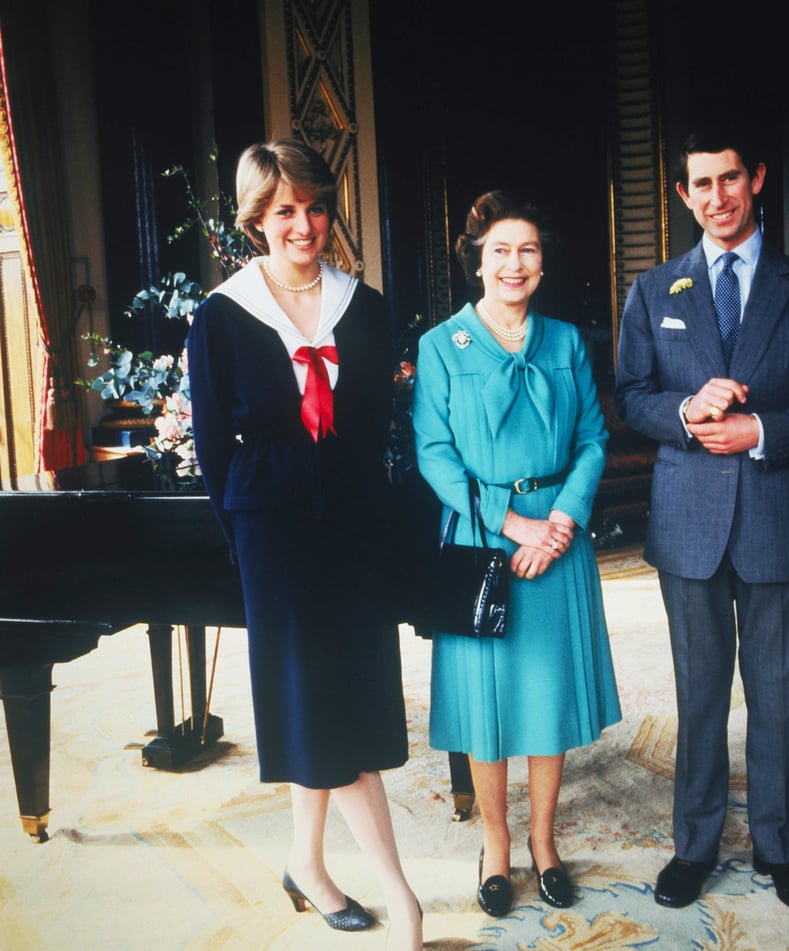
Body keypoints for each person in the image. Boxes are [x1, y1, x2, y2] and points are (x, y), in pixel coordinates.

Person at [614, 124, 789, 914]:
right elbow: (630, 396)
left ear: (754, 179)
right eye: (700, 185)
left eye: (730, 179)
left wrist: (761, 431)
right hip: (687, 519)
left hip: (777, 517)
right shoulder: (655, 291)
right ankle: (695, 844)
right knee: (698, 693)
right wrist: (687, 410)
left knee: (775, 691)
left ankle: (781, 849)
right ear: (683, 195)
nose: (716, 198)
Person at [187, 139, 422, 951]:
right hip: (273, 533)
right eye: (284, 209)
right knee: (314, 701)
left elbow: (377, 433)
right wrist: (247, 539)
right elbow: (216, 449)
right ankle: (401, 897)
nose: (304, 224)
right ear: (258, 219)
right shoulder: (221, 316)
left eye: (315, 206)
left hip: (355, 530)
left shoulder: (368, 306)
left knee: (340, 701)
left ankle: (305, 866)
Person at [412, 190, 621, 917]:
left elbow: (595, 437)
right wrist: (513, 523)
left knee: (547, 696)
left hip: (559, 536)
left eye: (527, 249)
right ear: (476, 260)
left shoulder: (565, 341)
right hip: (481, 540)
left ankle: (545, 841)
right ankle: (496, 844)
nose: (514, 263)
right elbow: (434, 456)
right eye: (499, 249)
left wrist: (560, 518)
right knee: (487, 705)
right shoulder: (441, 345)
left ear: (541, 263)